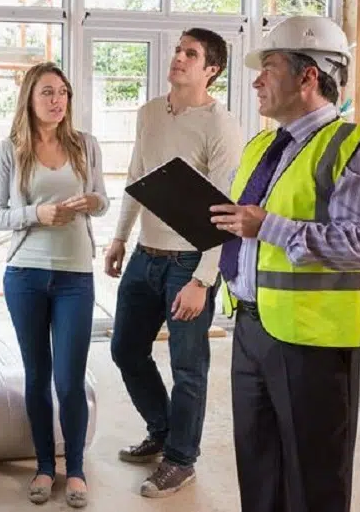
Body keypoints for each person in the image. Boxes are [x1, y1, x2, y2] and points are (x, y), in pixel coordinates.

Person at [209, 15, 360, 512]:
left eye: (268, 66)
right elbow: (241, 226)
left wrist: (267, 225)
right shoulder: (258, 148)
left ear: (308, 76)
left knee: (313, 478)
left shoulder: (356, 148)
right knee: (258, 466)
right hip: (251, 328)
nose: (256, 80)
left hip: (311, 342)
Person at [105, 29, 244, 498]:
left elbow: (226, 212)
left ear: (211, 70)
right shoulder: (149, 113)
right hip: (145, 257)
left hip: (189, 265)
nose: (179, 59)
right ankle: (162, 430)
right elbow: (135, 177)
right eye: (178, 50)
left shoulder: (221, 126)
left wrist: (204, 281)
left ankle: (181, 460)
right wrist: (120, 237)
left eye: (191, 54)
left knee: (188, 367)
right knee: (125, 349)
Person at [0, 61, 110, 509]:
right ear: (30, 100)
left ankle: (73, 469)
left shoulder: (85, 146)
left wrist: (94, 201)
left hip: (75, 275)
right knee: (37, 376)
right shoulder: (9, 150)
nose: (57, 101)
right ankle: (43, 466)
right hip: (25, 276)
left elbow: (101, 200)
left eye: (63, 92)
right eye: (48, 93)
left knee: (70, 379)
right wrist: (36, 214)